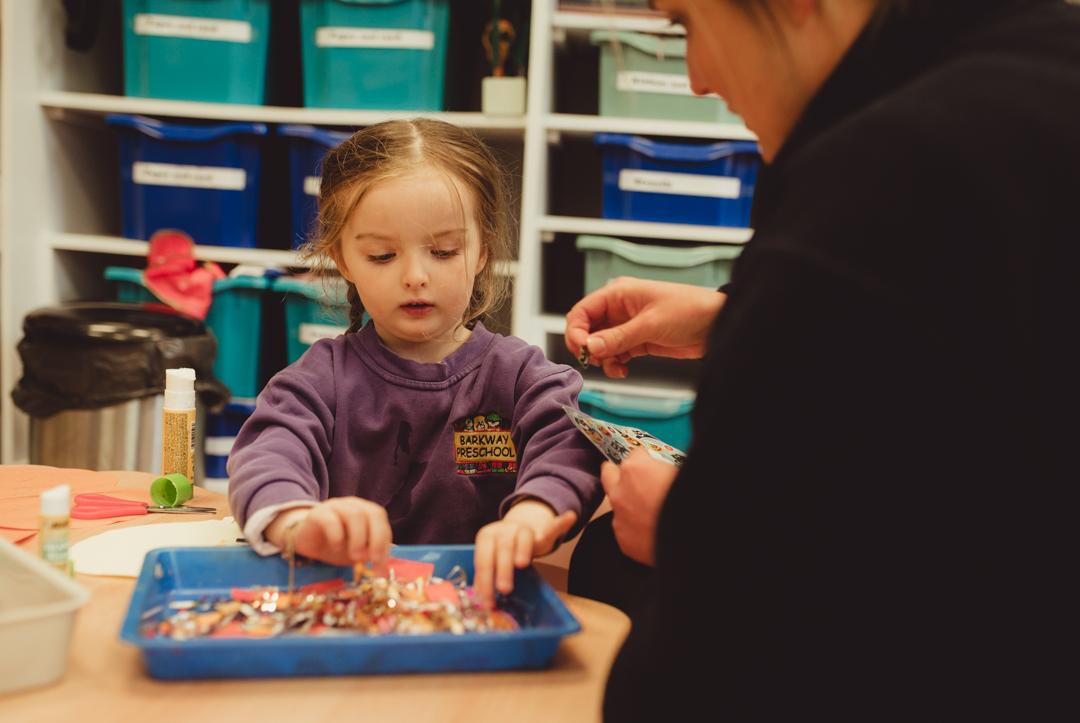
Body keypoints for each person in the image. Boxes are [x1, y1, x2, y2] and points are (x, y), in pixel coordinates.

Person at [565, 0, 1078, 720]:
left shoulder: (879, 181)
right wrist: (735, 314)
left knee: (603, 555)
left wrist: (689, 532)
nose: (696, 78)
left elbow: (719, 658)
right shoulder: (1039, 65)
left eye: (686, 24)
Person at [228, 119, 603, 605]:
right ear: (342, 257)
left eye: (444, 251)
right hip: (351, 610)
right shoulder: (319, 381)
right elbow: (267, 454)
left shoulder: (522, 379)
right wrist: (298, 522)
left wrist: (531, 516)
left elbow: (568, 448)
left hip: (479, 608)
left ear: (483, 248)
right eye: (382, 256)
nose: (415, 276)